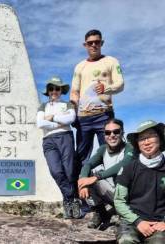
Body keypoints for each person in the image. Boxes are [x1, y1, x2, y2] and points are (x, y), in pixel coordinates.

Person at [70, 29, 125, 169]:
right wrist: (73, 112)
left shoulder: (111, 61)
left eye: (97, 42)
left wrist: (106, 88)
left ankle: (113, 185)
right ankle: (81, 186)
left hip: (104, 116)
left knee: (110, 151)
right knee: (81, 155)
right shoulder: (79, 66)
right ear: (85, 45)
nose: (93, 45)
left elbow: (120, 84)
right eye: (90, 43)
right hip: (83, 118)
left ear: (102, 43)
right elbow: (74, 91)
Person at [78, 118, 134, 230]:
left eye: (116, 132)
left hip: (129, 197)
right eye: (108, 132)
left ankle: (122, 214)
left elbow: (124, 164)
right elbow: (88, 165)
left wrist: (97, 177)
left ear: (122, 132)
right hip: (113, 194)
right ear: (104, 135)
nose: (112, 135)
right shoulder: (103, 149)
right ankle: (100, 214)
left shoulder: (130, 147)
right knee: (89, 175)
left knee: (94, 177)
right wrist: (83, 181)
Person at [37, 76, 80, 219]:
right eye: (51, 88)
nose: (54, 91)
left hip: (65, 137)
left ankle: (68, 203)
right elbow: (40, 123)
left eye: (57, 88)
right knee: (56, 170)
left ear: (61, 90)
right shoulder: (43, 106)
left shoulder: (67, 105)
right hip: (48, 140)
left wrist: (52, 117)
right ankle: (72, 196)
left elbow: (70, 119)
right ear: (48, 91)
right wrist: (59, 122)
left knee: (69, 170)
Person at [115, 120, 165, 243]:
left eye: (151, 136)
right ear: (137, 144)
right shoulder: (128, 169)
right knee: (126, 240)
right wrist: (138, 221)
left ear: (160, 138)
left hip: (159, 223)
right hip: (132, 221)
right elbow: (119, 201)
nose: (146, 142)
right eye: (142, 139)